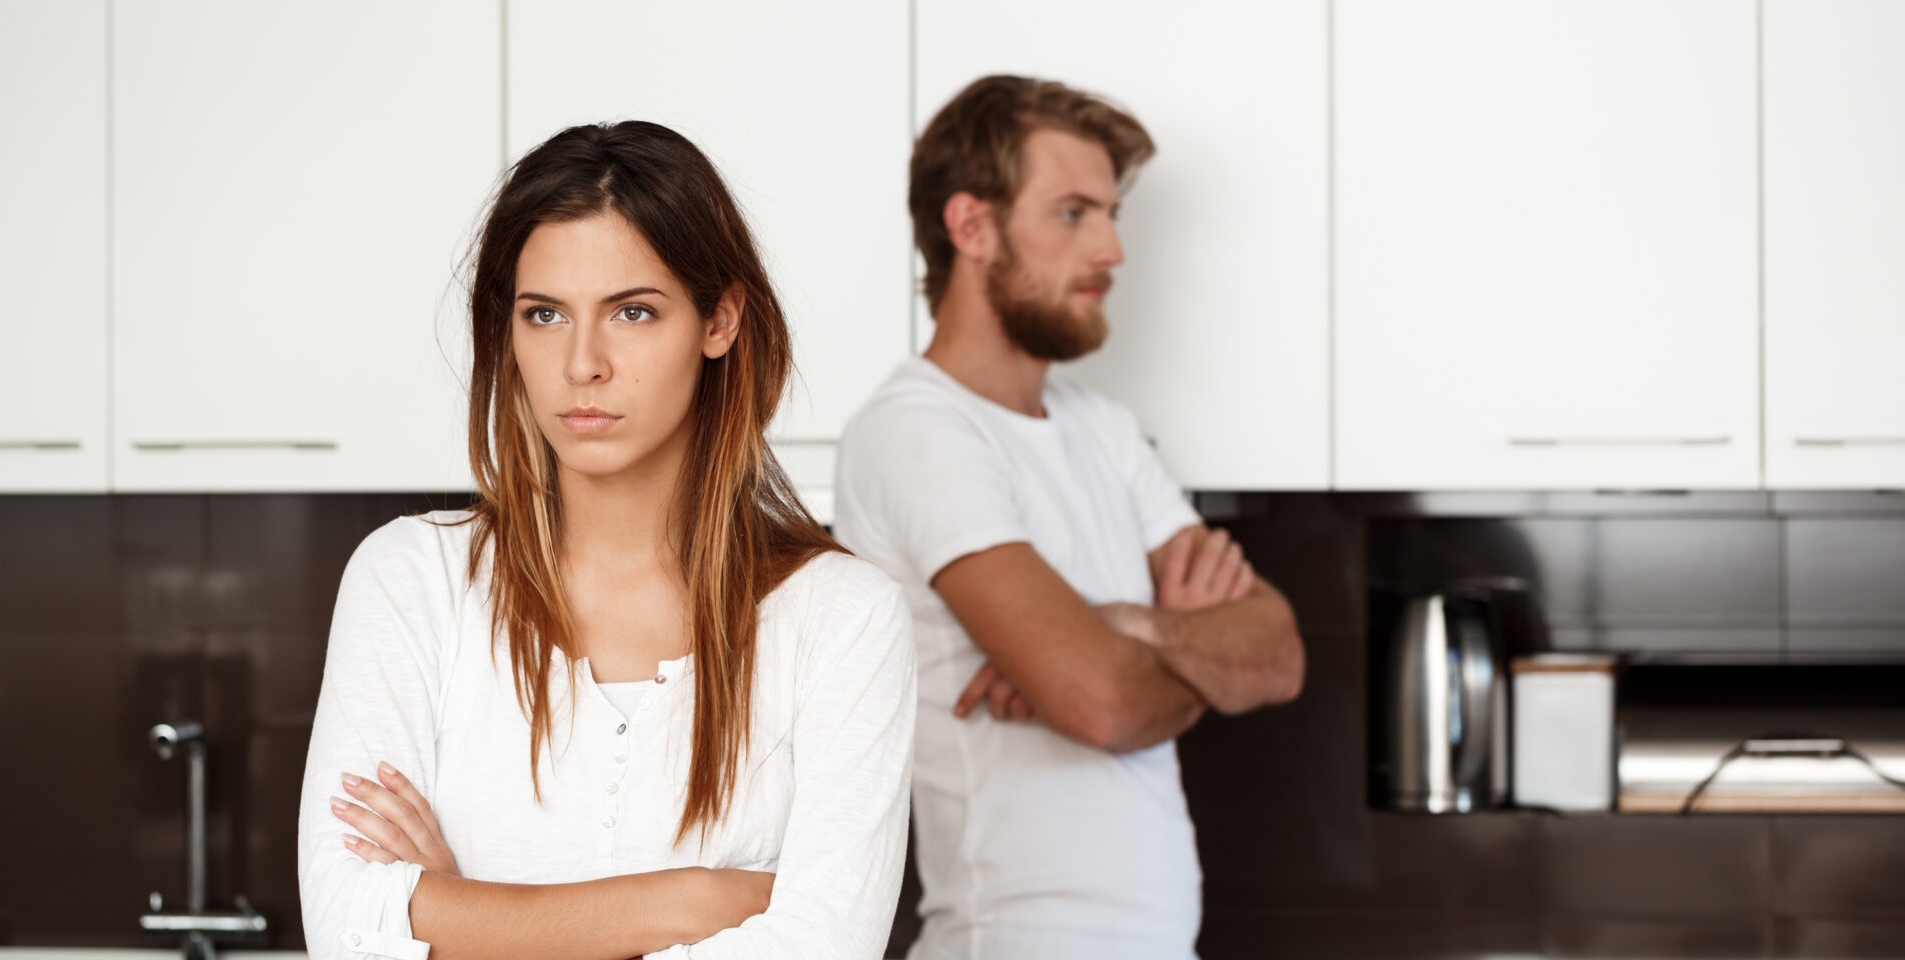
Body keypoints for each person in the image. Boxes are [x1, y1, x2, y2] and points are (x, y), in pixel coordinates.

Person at [297, 121, 916, 960]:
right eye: (544, 314)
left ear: (721, 321)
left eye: (633, 311)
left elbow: (824, 947)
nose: (582, 363)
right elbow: (345, 931)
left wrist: (458, 913)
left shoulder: (844, 618)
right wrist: (696, 900)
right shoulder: (412, 580)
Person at [834, 75, 1307, 960]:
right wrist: (1185, 649)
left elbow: (1279, 652)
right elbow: (1101, 704)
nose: (1114, 249)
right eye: (1074, 213)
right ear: (972, 227)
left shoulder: (1103, 430)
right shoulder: (917, 430)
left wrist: (1118, 623)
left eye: (1112, 213)